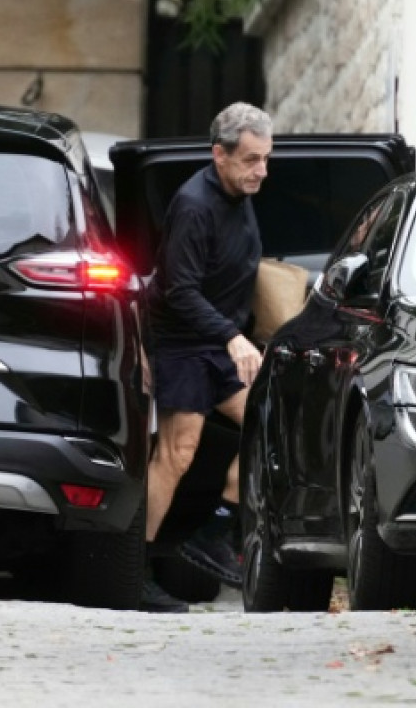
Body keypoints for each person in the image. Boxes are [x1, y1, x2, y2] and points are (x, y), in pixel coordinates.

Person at [140, 102, 273, 612]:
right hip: (182, 341)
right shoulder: (194, 205)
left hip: (217, 340)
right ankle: (138, 571)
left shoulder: (240, 195)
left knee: (265, 422)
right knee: (176, 455)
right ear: (220, 155)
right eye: (250, 160)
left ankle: (215, 528)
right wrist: (232, 338)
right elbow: (180, 290)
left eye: (265, 158)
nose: (261, 170)